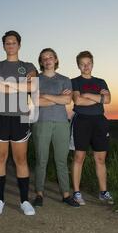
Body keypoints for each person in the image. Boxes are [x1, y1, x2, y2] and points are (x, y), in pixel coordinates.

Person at [0, 30, 38, 215]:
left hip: (21, 116)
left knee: (21, 159)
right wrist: (20, 85)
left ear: (19, 45)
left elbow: (32, 86)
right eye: (7, 43)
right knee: (0, 158)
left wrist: (6, 85)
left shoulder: (29, 65)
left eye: (13, 42)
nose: (10, 46)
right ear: (3, 46)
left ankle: (24, 201)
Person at [31, 48, 79, 208]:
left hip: (61, 124)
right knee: (41, 160)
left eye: (50, 57)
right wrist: (58, 98)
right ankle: (39, 194)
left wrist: (46, 96)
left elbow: (67, 101)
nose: (47, 60)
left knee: (61, 161)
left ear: (56, 59)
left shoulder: (65, 79)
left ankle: (66, 194)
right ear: (41, 62)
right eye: (44, 58)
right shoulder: (36, 79)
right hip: (41, 123)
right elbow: (36, 101)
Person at [71, 51, 113, 206]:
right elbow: (77, 101)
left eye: (88, 63)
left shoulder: (101, 81)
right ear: (78, 65)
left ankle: (103, 192)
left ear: (93, 64)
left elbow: (108, 99)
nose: (86, 66)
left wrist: (87, 94)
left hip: (99, 122)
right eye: (83, 64)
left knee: (100, 159)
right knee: (79, 157)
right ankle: (76, 192)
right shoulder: (74, 81)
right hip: (81, 121)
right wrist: (98, 99)